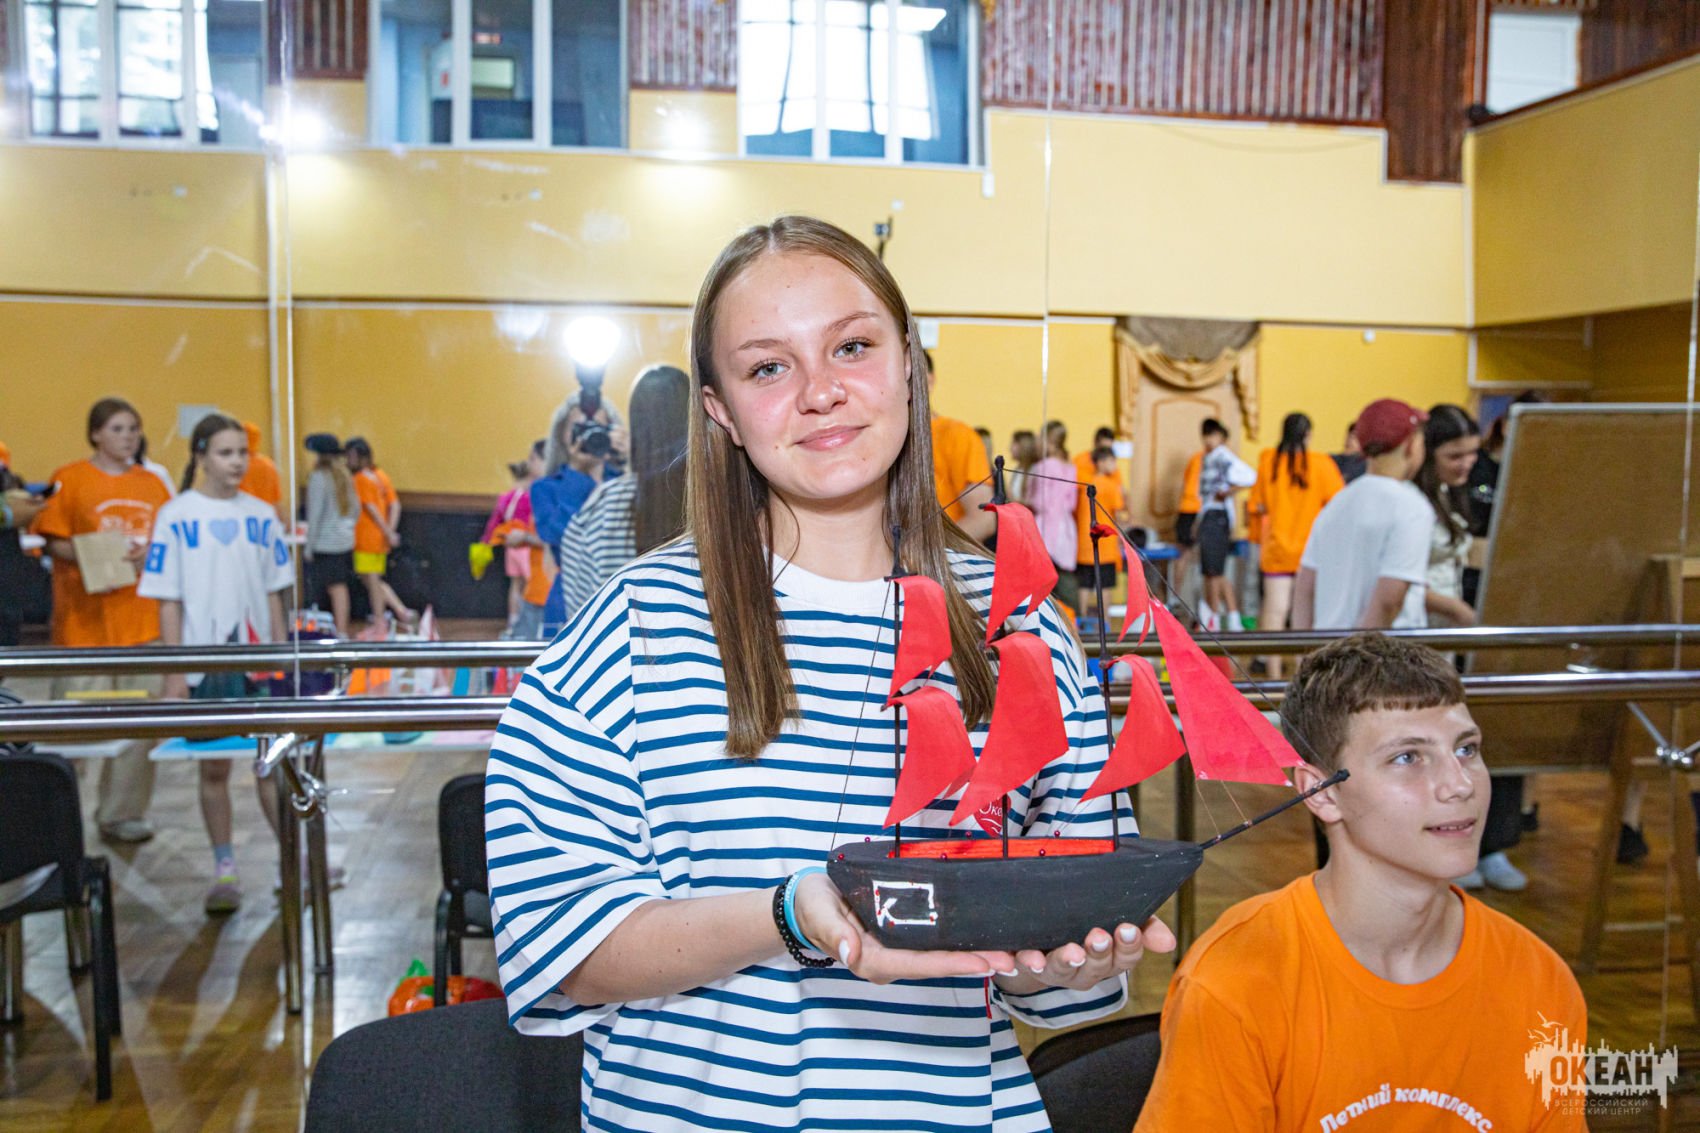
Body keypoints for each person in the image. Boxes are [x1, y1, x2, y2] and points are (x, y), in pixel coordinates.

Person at [485, 215, 1171, 1131]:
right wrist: (788, 913)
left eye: (852, 346)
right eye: (769, 367)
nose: (821, 393)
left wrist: (1072, 958)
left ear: (910, 367)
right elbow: (564, 946)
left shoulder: (1020, 625)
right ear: (720, 410)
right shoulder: (631, 627)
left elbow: (1047, 985)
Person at [1135, 632, 1587, 1132]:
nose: (1460, 785)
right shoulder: (1237, 980)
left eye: (1466, 749)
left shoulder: (1540, 981)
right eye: (1407, 757)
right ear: (1322, 793)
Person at [139, 414, 294, 914]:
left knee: (271, 765)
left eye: (242, 452)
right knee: (213, 769)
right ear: (202, 456)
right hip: (203, 662)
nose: (237, 462)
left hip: (255, 663)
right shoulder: (176, 515)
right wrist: (175, 671)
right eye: (226, 453)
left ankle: (292, 859)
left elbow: (273, 592)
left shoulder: (262, 515)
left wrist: (279, 658)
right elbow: (167, 599)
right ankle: (224, 866)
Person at [31, 397, 173, 843]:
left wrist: (148, 553)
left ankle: (121, 813)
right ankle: (58, 815)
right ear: (95, 434)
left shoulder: (152, 483)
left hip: (142, 621)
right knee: (74, 725)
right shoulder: (70, 479)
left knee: (138, 726)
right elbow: (51, 539)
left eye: (133, 428)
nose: (127, 437)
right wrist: (98, 554)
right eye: (117, 428)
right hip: (84, 623)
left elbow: (168, 540)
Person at [1416, 404, 1528, 894]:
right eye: (1454, 455)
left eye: (1470, 453)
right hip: (1430, 637)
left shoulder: (1450, 495)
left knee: (1474, 739)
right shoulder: (1412, 502)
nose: (1466, 464)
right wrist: (1461, 612)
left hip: (1456, 637)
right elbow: (1404, 580)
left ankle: (1489, 844)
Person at [558, 366, 690, 619]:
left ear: (635, 428)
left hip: (619, 640)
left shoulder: (603, 505)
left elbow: (579, 612)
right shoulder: (721, 502)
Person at [1293, 399, 1431, 632]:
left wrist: (1304, 649)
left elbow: (1305, 588)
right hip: (1384, 650)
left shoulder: (1337, 503)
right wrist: (1361, 653)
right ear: (1410, 445)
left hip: (1329, 645)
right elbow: (1389, 599)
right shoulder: (1411, 507)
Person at [1247, 412, 1344, 676]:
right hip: (1311, 552)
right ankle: (1305, 674)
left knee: (1275, 612)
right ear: (1308, 435)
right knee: (1306, 617)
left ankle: (1273, 675)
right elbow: (1338, 505)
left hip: (1277, 549)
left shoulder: (1269, 461)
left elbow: (1258, 504)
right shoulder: (1321, 464)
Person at [533, 394, 626, 634]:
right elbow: (558, 535)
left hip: (623, 594)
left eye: (599, 427)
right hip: (569, 598)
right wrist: (576, 474)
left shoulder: (626, 482)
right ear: (562, 435)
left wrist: (633, 460)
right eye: (580, 428)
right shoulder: (546, 488)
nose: (590, 434)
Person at [345, 436, 415, 629]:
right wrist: (389, 531)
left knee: (372, 580)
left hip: (366, 537)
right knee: (372, 579)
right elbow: (395, 505)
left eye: (351, 456)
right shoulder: (380, 476)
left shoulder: (359, 479)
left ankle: (380, 620)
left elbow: (371, 509)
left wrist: (388, 532)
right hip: (379, 539)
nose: (348, 460)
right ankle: (399, 611)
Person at [926, 351, 995, 543]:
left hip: (938, 555)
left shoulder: (957, 436)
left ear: (929, 380)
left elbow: (983, 519)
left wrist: (927, 553)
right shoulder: (881, 438)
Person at [1195, 418, 1256, 632]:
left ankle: (1214, 618)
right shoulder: (1209, 457)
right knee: (1215, 571)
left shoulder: (1222, 456)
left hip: (1217, 515)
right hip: (1209, 515)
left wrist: (1229, 491)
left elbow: (1250, 476)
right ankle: (1231, 617)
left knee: (1213, 572)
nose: (1208, 440)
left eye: (1212, 435)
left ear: (1220, 437)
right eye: (1206, 435)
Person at [483, 442, 544, 632]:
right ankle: (520, 620)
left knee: (516, 584)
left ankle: (513, 620)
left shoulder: (507, 497)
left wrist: (487, 540)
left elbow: (495, 521)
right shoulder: (528, 497)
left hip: (514, 546)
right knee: (526, 583)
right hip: (523, 546)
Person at [303, 433, 358, 638]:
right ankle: (342, 629)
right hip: (344, 540)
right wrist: (346, 527)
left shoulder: (318, 477)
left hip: (324, 543)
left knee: (331, 588)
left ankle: (336, 631)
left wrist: (308, 547)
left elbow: (315, 514)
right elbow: (356, 509)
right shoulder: (345, 475)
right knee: (340, 587)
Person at [1073, 444, 1129, 625]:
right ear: (1102, 462)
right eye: (1112, 461)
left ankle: (1081, 623)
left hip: (1084, 544)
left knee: (1084, 585)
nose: (1115, 466)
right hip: (1105, 545)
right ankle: (1105, 622)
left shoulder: (1084, 485)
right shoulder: (1111, 485)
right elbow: (1119, 513)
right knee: (1104, 586)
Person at [1029, 419, 1080, 611]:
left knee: (1041, 578)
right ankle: (1072, 616)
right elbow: (1072, 502)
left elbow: (1039, 501)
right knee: (1065, 578)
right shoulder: (1070, 466)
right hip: (1065, 527)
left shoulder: (1043, 466)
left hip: (1044, 525)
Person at [238, 420, 283, 517]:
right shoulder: (269, 465)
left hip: (243, 516)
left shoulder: (235, 466)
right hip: (266, 517)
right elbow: (276, 500)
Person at [1331, 419, 1367, 483]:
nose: (1349, 440)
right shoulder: (1330, 459)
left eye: (1354, 437)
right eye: (1349, 435)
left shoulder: (1365, 466)